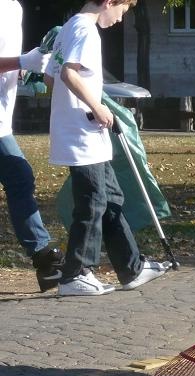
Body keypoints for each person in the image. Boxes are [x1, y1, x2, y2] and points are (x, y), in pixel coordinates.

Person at [44, 0, 170, 296]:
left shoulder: (68, 28)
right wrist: (97, 107)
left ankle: (131, 267)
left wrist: (73, 107)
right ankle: (75, 274)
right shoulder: (85, 30)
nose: (119, 19)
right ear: (110, 1)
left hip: (83, 132)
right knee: (92, 202)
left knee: (111, 197)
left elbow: (50, 76)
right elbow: (68, 74)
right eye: (122, 11)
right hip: (82, 134)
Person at [0, 0, 64, 292]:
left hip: (2, 120)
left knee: (19, 177)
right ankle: (43, 257)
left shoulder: (13, 7)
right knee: (19, 176)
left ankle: (44, 260)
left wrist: (25, 67)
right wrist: (21, 62)